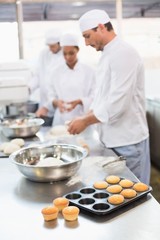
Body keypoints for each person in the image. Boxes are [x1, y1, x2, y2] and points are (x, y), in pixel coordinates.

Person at [67, 9, 151, 185]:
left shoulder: (123, 53)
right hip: (113, 139)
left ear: (100, 27)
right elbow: (102, 95)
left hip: (129, 141)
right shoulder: (108, 54)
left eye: (87, 36)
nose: (86, 43)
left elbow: (118, 102)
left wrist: (85, 121)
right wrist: (84, 115)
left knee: (134, 195)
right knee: (118, 195)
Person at [41, 32, 96, 126]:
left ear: (78, 50)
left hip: (82, 119)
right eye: (65, 54)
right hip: (61, 120)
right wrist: (56, 102)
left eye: (71, 53)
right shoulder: (56, 72)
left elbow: (95, 95)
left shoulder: (89, 71)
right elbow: (51, 95)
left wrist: (80, 101)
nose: (68, 57)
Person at [29, 27, 64, 114]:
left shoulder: (66, 56)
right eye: (49, 46)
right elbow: (38, 75)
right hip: (44, 101)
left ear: (60, 43)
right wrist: (29, 87)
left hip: (58, 103)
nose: (50, 49)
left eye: (53, 46)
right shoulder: (44, 54)